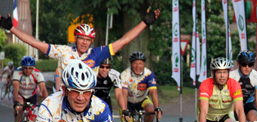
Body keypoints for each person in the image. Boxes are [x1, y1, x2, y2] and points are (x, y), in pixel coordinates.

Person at [0, 8, 160, 72]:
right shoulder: (63, 51)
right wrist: (11, 28)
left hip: (87, 100)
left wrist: (144, 23)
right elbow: (35, 43)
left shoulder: (97, 53)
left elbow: (124, 40)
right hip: (64, 100)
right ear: (76, 39)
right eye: (81, 39)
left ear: (91, 42)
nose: (84, 42)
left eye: (88, 40)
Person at [12, 56, 49, 122]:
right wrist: (16, 102)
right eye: (25, 68)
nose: (27, 70)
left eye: (30, 68)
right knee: (19, 107)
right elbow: (15, 88)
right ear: (22, 67)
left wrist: (47, 102)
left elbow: (43, 90)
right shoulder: (17, 73)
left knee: (33, 118)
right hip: (20, 94)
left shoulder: (37, 74)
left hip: (32, 95)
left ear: (33, 68)